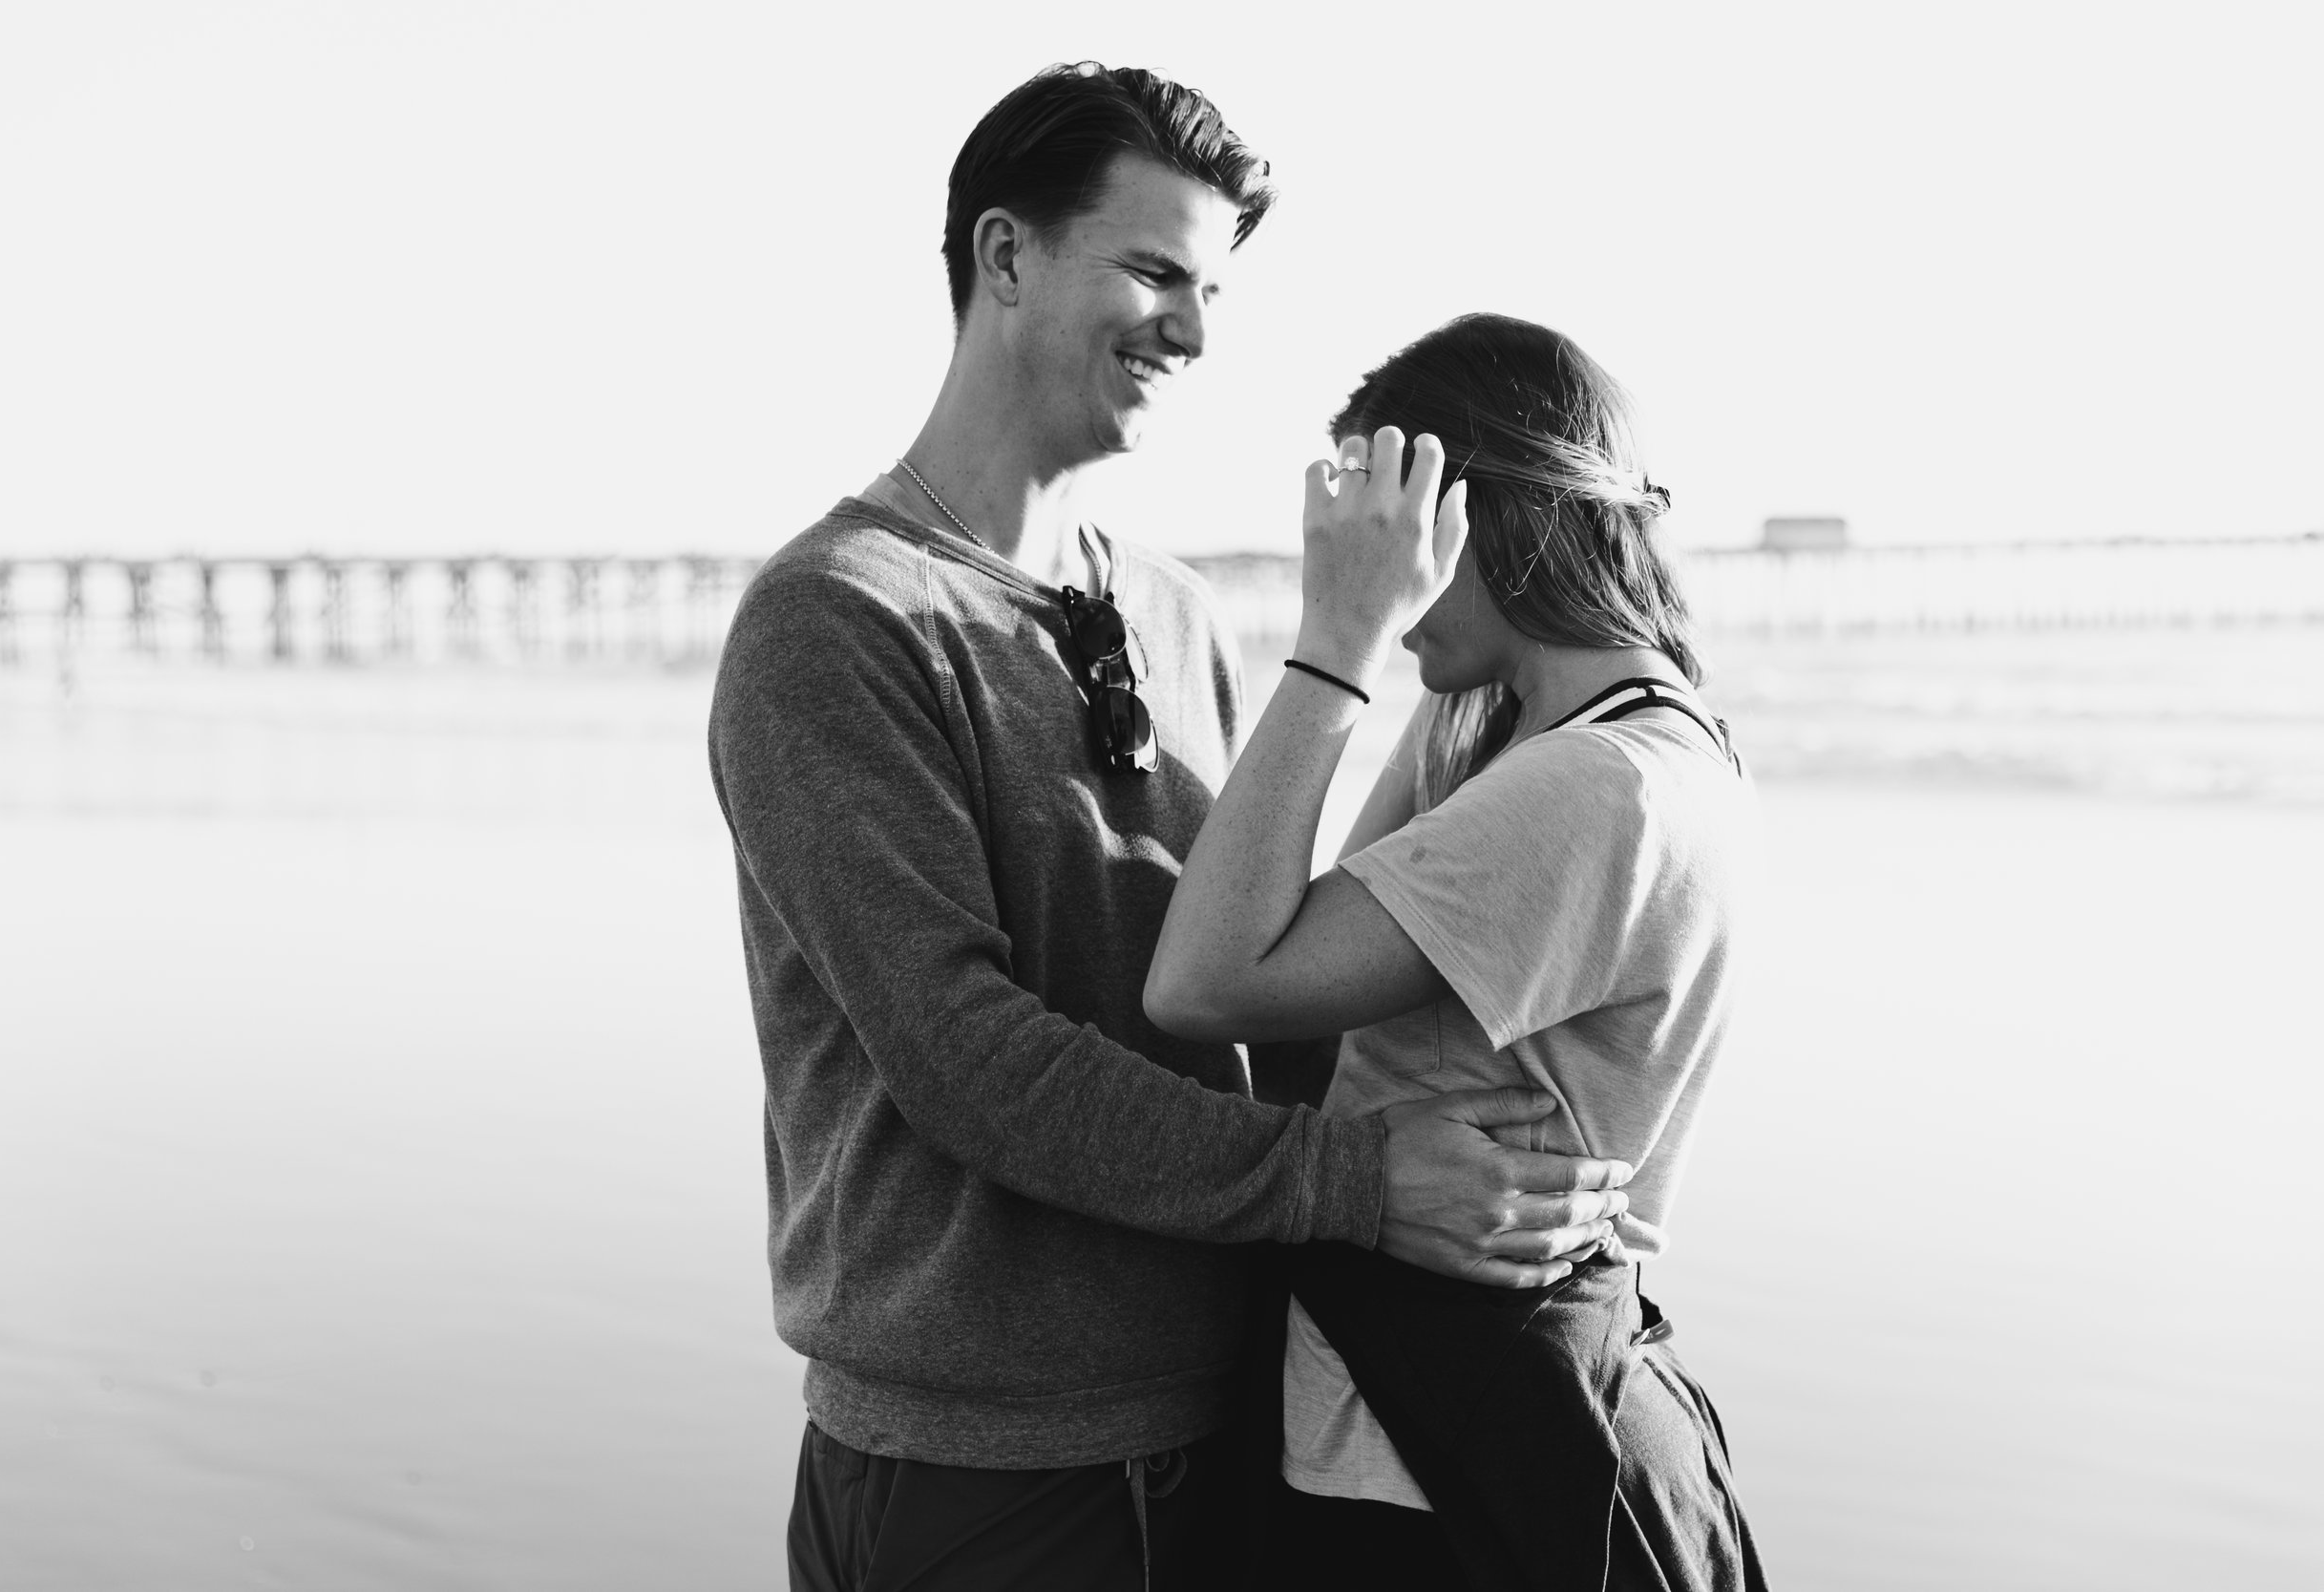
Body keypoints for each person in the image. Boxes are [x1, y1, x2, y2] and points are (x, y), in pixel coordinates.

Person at [708, 69, 1635, 1591]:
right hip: (984, 1469)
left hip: (1230, 1421)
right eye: (1152, 271)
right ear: (1004, 257)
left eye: (1211, 291)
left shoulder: (1176, 608)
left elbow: (1262, 987)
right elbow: (971, 1065)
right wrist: (1362, 1184)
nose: (1193, 333)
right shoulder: (838, 622)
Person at [1145, 314, 1769, 1590]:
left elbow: (1205, 983)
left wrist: (1343, 637)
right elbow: (1293, 1006)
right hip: (1466, 1423)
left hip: (1433, 1477)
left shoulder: (1592, 790)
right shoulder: (1556, 734)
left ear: (1477, 519)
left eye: (1390, 526)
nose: (1356, 555)